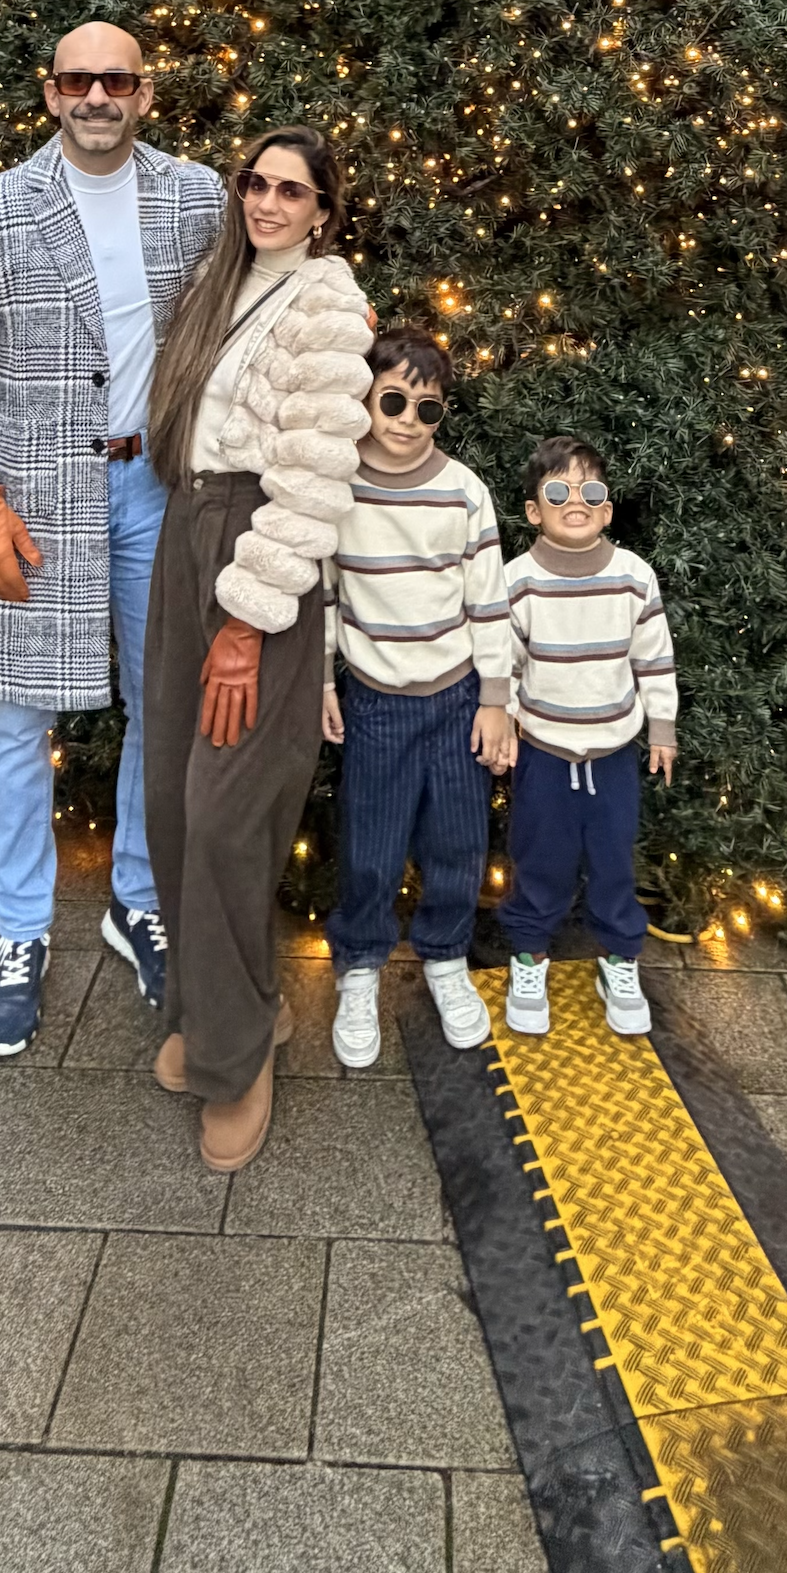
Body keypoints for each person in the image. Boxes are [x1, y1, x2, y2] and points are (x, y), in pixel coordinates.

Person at [0, 19, 225, 1058]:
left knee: (159, 702)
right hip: (35, 501)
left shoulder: (196, 197)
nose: (97, 96)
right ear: (50, 95)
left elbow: (247, 319)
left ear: (144, 93)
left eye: (116, 81)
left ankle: (135, 899)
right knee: (18, 718)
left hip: (158, 489)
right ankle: (18, 935)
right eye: (76, 80)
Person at [141, 127, 371, 1169]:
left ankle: (238, 1059)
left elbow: (317, 480)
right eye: (256, 182)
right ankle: (235, 1011)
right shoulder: (217, 279)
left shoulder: (324, 303)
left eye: (291, 191)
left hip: (258, 559)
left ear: (323, 208)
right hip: (186, 539)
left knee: (227, 812)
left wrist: (244, 622)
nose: (267, 203)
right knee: (170, 800)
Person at [320, 325, 511, 1070]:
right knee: (369, 844)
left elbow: (489, 601)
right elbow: (326, 595)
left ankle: (444, 953)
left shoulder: (465, 491)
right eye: (391, 400)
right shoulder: (338, 488)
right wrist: (318, 680)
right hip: (373, 701)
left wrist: (495, 697)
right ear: (365, 399)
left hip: (458, 696)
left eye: (425, 408)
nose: (405, 420)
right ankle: (361, 964)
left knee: (459, 843)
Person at [498, 432, 678, 1042]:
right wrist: (507, 721)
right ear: (534, 510)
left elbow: (654, 659)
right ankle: (529, 957)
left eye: (589, 490)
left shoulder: (634, 577)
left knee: (612, 864)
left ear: (606, 509)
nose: (575, 500)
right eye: (558, 490)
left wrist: (663, 727)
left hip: (614, 756)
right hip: (542, 755)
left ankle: (619, 962)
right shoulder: (516, 581)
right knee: (538, 861)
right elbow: (504, 663)